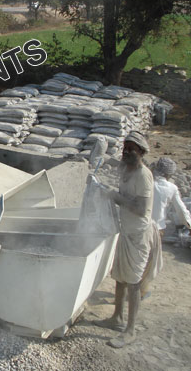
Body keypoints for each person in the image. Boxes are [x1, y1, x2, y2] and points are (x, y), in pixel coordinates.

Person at [94, 131, 162, 348]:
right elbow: (122, 194)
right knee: (120, 277)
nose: (127, 152)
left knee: (133, 283)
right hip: (125, 232)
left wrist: (115, 197)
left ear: (141, 152)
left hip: (138, 235)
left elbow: (141, 209)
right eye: (125, 148)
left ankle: (130, 330)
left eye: (132, 148)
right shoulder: (125, 170)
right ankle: (116, 317)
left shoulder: (143, 175)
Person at [151, 157, 191, 235]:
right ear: (168, 174)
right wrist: (189, 226)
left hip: (138, 226)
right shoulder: (172, 188)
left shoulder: (146, 184)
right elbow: (181, 210)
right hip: (156, 229)